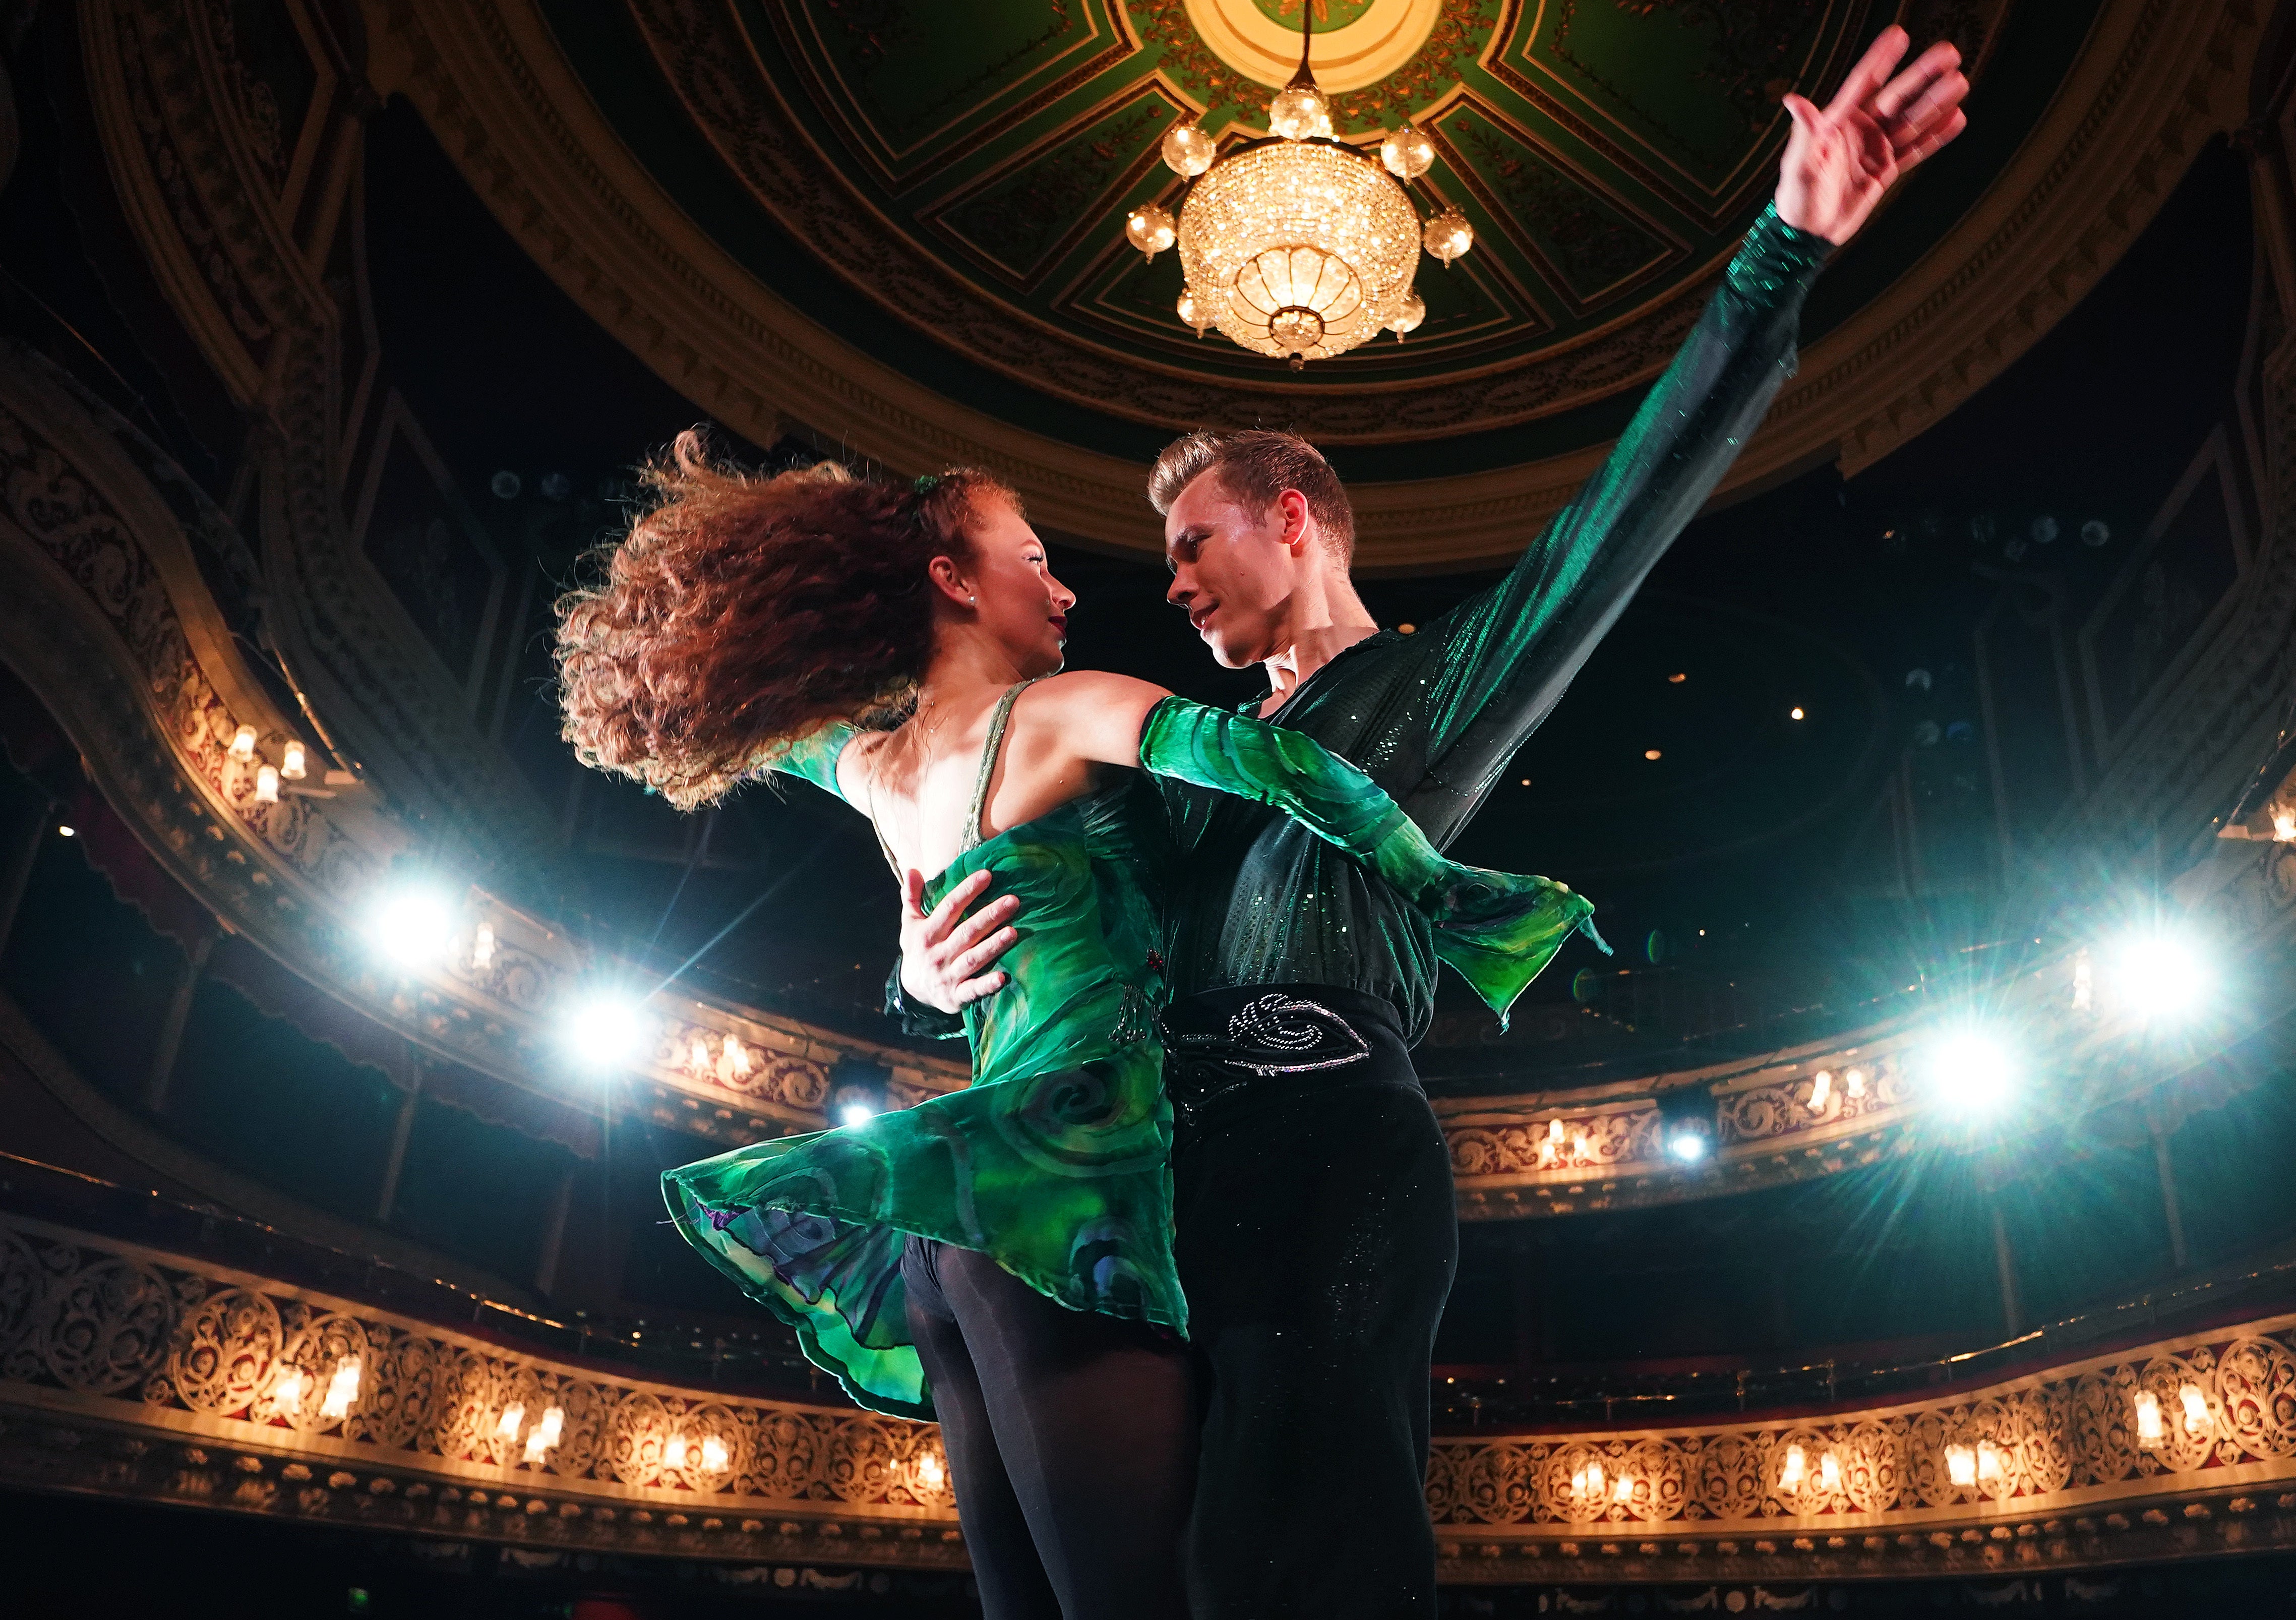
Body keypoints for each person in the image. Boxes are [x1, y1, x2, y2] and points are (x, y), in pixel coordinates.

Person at [895, 26, 1973, 1618]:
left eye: (1194, 539)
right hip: (1158, 1174)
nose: (1171, 579)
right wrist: (924, 973)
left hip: (1330, 1157)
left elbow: (1626, 509)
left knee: (1292, 1558)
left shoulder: (1434, 691)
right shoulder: (1173, 761)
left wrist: (1781, 248)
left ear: (1292, 515)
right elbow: (1027, 883)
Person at [552, 438, 1600, 1619]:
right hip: (1072, 1194)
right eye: (1037, 559)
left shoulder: (873, 768)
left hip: (953, 1219)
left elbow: (756, 719)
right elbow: (1283, 763)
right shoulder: (1063, 708)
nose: (1065, 590)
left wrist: (914, 966)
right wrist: (1456, 891)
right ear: (953, 579)